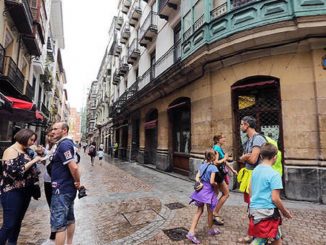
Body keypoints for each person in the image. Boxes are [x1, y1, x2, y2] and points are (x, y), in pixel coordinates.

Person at [0, 129, 42, 244]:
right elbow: (15, 173)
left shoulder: (26, 150)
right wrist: (33, 161)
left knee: (17, 222)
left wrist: (39, 155)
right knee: (9, 224)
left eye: (34, 140)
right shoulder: (11, 150)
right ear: (24, 137)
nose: (33, 142)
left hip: (25, 191)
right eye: (31, 140)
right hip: (12, 191)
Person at [248, 143, 292, 244]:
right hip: (267, 214)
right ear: (275, 157)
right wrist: (285, 212)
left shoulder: (255, 170)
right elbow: (275, 199)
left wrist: (254, 203)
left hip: (254, 210)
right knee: (259, 241)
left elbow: (250, 189)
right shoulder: (274, 174)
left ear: (261, 156)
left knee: (277, 240)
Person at [50, 122, 82, 245]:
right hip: (66, 188)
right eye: (52, 129)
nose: (52, 131)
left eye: (55, 129)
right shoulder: (66, 144)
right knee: (69, 219)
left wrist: (78, 182)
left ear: (64, 130)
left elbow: (73, 167)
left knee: (59, 225)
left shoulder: (64, 145)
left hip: (61, 189)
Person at [237, 116, 267, 243]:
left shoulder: (258, 138)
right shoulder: (249, 139)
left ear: (247, 125)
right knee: (251, 206)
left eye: (241, 124)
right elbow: (244, 157)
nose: (240, 126)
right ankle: (258, 233)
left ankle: (253, 235)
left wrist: (244, 158)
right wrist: (244, 157)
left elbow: (253, 160)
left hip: (256, 177)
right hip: (249, 175)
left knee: (253, 206)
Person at [186, 149, 221, 244]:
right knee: (210, 212)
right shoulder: (213, 168)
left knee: (199, 211)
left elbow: (197, 176)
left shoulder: (202, 166)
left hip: (200, 191)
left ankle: (191, 231)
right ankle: (210, 229)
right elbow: (212, 182)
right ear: (213, 157)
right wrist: (216, 185)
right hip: (208, 192)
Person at [212, 134, 237, 225]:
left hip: (219, 174)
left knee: (216, 193)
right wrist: (226, 158)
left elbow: (224, 161)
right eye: (223, 138)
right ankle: (215, 213)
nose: (225, 139)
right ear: (218, 140)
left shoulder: (219, 148)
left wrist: (232, 170)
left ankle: (212, 213)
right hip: (218, 175)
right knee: (226, 194)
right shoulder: (216, 148)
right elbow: (215, 162)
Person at [42, 128, 57, 245]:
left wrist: (45, 154)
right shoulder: (48, 146)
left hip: (55, 181)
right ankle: (54, 229)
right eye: (48, 135)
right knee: (50, 206)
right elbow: (46, 162)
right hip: (47, 180)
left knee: (54, 206)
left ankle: (54, 232)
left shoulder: (57, 146)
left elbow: (53, 159)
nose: (49, 137)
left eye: (52, 135)